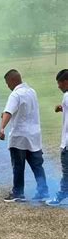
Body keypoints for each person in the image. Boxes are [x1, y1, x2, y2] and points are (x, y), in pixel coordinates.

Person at [0, 69, 49, 202]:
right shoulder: (32, 91)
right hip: (34, 135)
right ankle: (43, 191)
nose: (7, 86)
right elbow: (22, 111)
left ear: (12, 80)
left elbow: (8, 112)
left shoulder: (15, 95)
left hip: (19, 136)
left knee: (18, 166)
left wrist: (2, 127)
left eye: (7, 83)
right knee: (37, 165)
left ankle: (18, 193)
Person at [47, 69, 68, 206]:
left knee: (66, 173)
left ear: (65, 82)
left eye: (59, 83)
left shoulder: (66, 95)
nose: (58, 86)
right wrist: (62, 108)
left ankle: (60, 196)